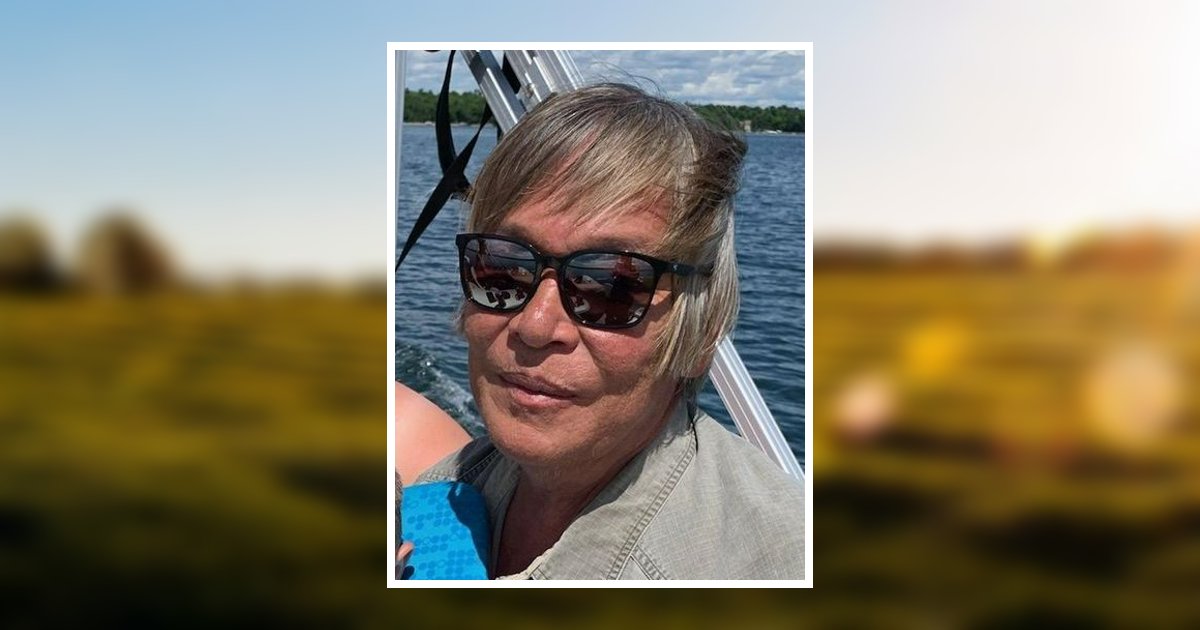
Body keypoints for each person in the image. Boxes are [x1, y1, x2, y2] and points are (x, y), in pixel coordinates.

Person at [409, 83, 805, 579]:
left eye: (611, 286)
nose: (535, 325)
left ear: (702, 330)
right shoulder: (445, 491)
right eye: (503, 268)